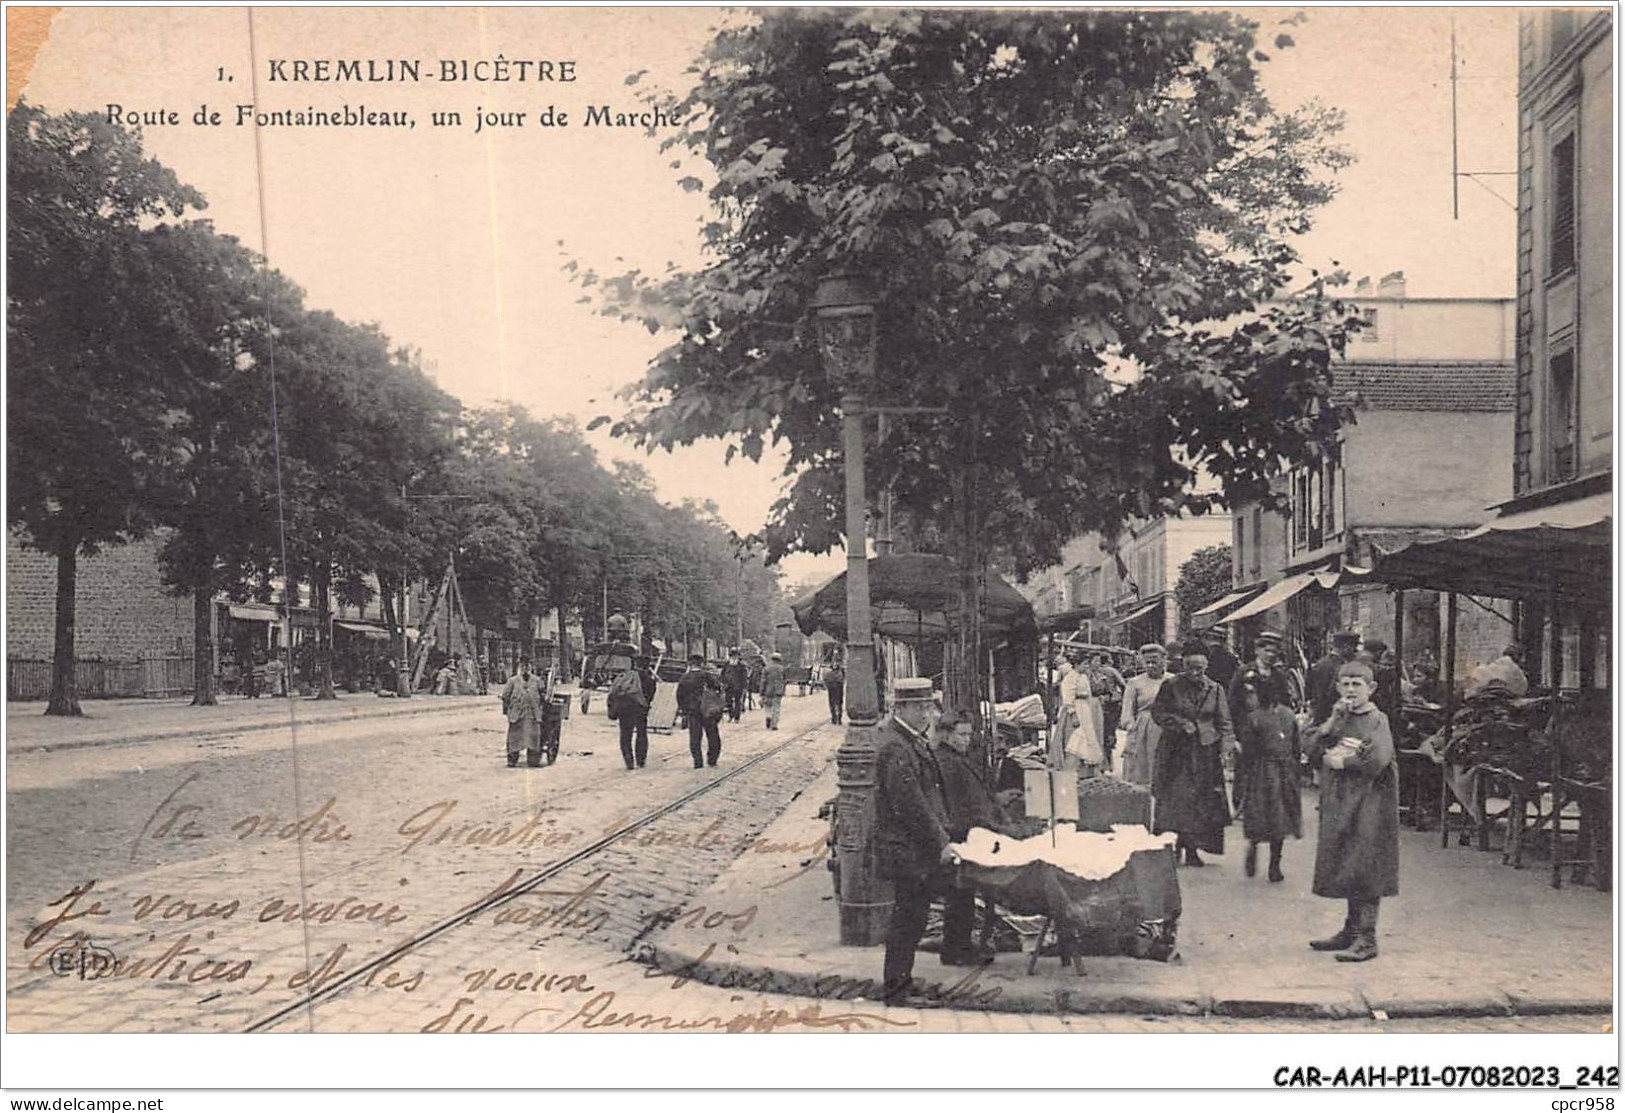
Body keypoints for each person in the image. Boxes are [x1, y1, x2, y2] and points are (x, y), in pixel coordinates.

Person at [872, 678, 959, 1001]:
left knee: (914, 917)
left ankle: (901, 980)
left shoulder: (910, 739)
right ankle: (896, 989)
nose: (926, 714)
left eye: (929, 707)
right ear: (901, 708)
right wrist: (940, 842)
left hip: (913, 848)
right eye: (919, 707)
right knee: (907, 920)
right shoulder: (897, 745)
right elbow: (911, 805)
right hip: (906, 848)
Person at [1306, 660, 1398, 962]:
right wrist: (1330, 724)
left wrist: (1343, 761)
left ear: (1371, 688)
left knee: (1366, 864)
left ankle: (1367, 938)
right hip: (1340, 801)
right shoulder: (1340, 718)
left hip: (1370, 802)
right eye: (1345, 684)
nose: (1350, 690)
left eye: (1356, 684)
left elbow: (1378, 758)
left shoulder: (1377, 719)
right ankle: (1350, 930)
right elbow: (1310, 749)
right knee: (1346, 862)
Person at [1150, 640, 1237, 867]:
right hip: (1176, 752)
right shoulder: (1171, 686)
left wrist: (1227, 747)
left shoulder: (1215, 689)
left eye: (1199, 668)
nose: (1195, 672)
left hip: (1205, 753)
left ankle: (1191, 847)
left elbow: (1224, 720)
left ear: (1206, 666)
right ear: (1184, 665)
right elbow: (1158, 713)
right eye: (1191, 668)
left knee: (1202, 801)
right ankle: (1179, 845)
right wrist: (1179, 723)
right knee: (1178, 800)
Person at [931, 708, 1004, 967]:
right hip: (960, 835)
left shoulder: (954, 758)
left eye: (969, 734)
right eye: (961, 734)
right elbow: (957, 805)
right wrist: (985, 825)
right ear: (947, 735)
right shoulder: (946, 763)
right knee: (959, 894)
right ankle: (956, 949)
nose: (967, 740)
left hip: (965, 833)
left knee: (962, 894)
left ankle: (960, 946)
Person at [1229, 629, 1302, 882]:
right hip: (1250, 745)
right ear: (1257, 650)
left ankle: (1274, 862)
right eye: (1266, 650)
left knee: (1278, 809)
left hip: (1276, 750)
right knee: (1253, 799)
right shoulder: (1243, 673)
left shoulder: (1280, 677)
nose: (1270, 654)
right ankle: (1252, 841)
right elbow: (1233, 706)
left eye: (1274, 650)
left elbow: (1288, 719)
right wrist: (1236, 738)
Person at [1119, 643, 1169, 786]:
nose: (1151, 665)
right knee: (1141, 770)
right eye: (1147, 662)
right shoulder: (1135, 683)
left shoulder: (1172, 680)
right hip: (1144, 728)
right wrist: (1130, 725)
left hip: (1167, 726)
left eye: (1155, 661)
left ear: (1164, 659)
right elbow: (1127, 709)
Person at [676, 653, 724, 768]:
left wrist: (684, 710)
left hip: (693, 711)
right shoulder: (707, 676)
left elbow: (679, 696)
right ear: (701, 664)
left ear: (690, 664)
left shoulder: (684, 678)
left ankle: (698, 762)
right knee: (713, 735)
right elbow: (718, 687)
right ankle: (712, 760)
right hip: (708, 710)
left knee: (695, 737)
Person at [500, 659, 549, 768]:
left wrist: (541, 703)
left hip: (532, 713)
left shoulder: (537, 681)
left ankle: (533, 759)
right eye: (523, 667)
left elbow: (543, 696)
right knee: (514, 738)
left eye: (528, 667)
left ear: (531, 668)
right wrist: (509, 709)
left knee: (533, 737)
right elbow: (505, 696)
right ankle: (512, 759)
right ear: (519, 668)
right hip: (517, 714)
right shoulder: (512, 681)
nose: (525, 669)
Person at [1307, 631, 1362, 727]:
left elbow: (1309, 690)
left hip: (1320, 718)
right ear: (1346, 647)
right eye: (1354, 648)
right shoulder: (1340, 667)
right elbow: (1333, 695)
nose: (1355, 652)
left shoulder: (1320, 664)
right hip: (1334, 720)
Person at [618, 656, 657, 770]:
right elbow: (650, 696)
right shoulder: (649, 680)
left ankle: (628, 760)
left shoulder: (624, 677)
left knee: (625, 734)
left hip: (624, 709)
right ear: (647, 666)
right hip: (640, 709)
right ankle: (641, 760)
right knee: (641, 733)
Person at [761, 652, 788, 730]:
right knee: (776, 707)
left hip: (768, 690)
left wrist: (761, 692)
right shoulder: (782, 669)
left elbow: (763, 681)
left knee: (768, 706)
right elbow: (785, 680)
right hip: (778, 691)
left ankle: (768, 717)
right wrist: (783, 690)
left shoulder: (766, 668)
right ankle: (774, 724)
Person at [721, 649, 749, 723]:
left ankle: (737, 717)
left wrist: (744, 686)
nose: (733, 657)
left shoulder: (741, 665)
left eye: (735, 656)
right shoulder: (726, 665)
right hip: (728, 686)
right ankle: (731, 715)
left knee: (737, 702)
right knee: (728, 701)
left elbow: (744, 677)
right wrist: (723, 683)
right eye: (731, 656)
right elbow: (722, 674)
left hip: (738, 686)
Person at [824, 656, 847, 726]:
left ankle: (836, 717)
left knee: (834, 702)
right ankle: (836, 717)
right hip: (836, 686)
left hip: (834, 686)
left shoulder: (829, 672)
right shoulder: (840, 671)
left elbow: (826, 679)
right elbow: (843, 678)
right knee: (837, 702)